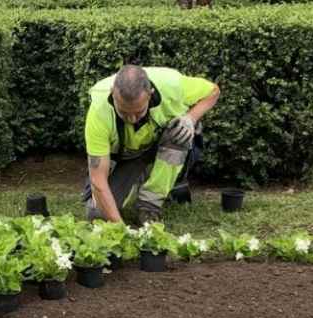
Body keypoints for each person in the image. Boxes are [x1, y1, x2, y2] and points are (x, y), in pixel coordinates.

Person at [83, 65, 220, 225]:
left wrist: (190, 118)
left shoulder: (171, 85)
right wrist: (120, 228)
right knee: (97, 213)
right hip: (127, 157)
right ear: (113, 94)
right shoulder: (99, 111)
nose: (132, 119)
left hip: (164, 142)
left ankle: (150, 205)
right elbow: (98, 180)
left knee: (179, 131)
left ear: (150, 95)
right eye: (124, 112)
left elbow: (213, 91)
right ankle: (137, 183)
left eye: (139, 112)